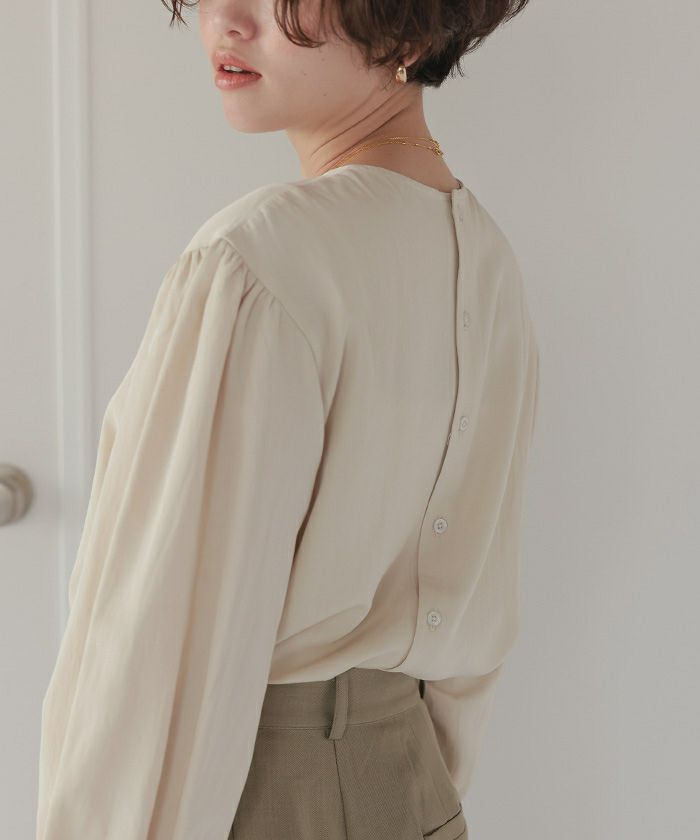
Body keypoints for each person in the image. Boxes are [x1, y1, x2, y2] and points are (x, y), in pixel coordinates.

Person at [35, 0, 539, 837]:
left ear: (409, 27)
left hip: (256, 794)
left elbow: (157, 652)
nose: (225, 22)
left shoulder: (257, 261)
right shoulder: (485, 258)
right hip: (416, 793)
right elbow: (472, 634)